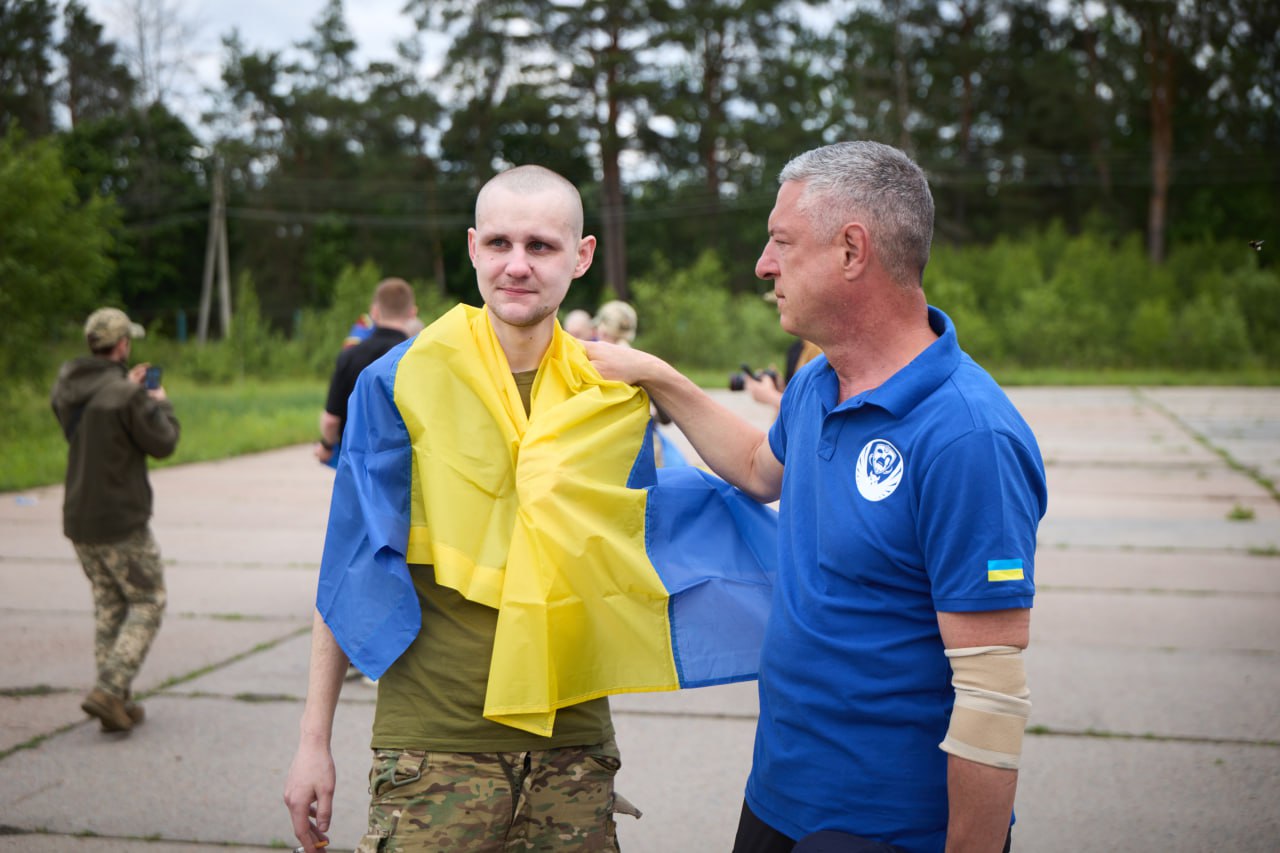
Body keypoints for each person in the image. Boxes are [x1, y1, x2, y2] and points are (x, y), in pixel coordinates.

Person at [586, 141, 1047, 853]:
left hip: (888, 827)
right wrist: (655, 375)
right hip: (778, 795)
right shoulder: (817, 382)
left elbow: (992, 695)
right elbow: (756, 467)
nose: (763, 264)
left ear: (851, 251)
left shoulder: (967, 436)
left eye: (781, 241)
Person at [285, 165, 640, 852]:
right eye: (500, 243)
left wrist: (664, 379)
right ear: (474, 248)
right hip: (433, 751)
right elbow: (348, 565)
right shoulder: (398, 381)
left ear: (582, 256)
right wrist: (312, 742)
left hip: (574, 751)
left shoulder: (613, 394)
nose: (517, 265)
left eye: (540, 246)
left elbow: (657, 546)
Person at [51, 307, 181, 734]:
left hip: (79, 515)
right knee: (148, 601)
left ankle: (117, 703)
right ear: (122, 344)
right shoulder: (127, 396)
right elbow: (163, 442)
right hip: (120, 517)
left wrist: (128, 388)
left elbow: (96, 418)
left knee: (109, 604)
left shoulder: (67, 387)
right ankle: (109, 690)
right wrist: (159, 403)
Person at [315, 278, 419, 466]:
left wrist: (327, 446)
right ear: (412, 313)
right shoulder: (419, 356)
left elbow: (331, 421)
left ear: (374, 312)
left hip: (359, 464)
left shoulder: (349, 356)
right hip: (406, 465)